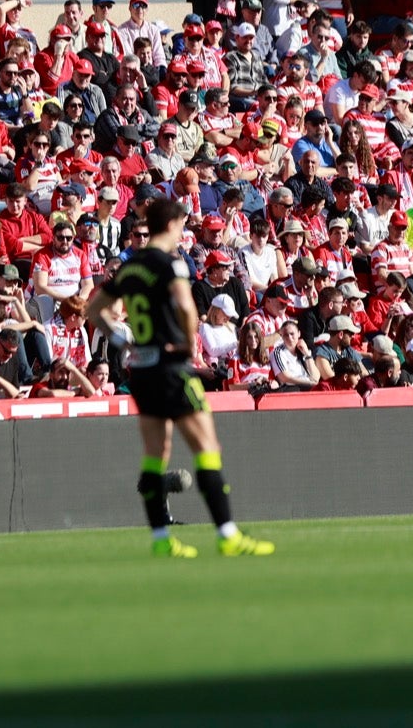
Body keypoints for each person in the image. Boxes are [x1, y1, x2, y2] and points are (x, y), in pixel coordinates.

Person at [85, 197, 273, 559]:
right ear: (171, 225)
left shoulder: (131, 265)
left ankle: (160, 538)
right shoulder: (170, 263)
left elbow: (94, 309)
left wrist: (119, 336)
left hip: (140, 367)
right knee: (206, 446)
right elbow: (187, 308)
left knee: (156, 454)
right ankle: (227, 534)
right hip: (170, 366)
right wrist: (188, 346)